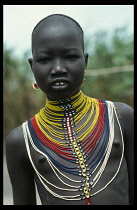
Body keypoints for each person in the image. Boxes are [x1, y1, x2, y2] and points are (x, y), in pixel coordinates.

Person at [6, 14, 134, 205]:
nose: (58, 68)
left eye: (70, 57)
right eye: (45, 59)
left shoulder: (120, 117)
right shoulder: (22, 141)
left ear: (85, 61)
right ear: (32, 67)